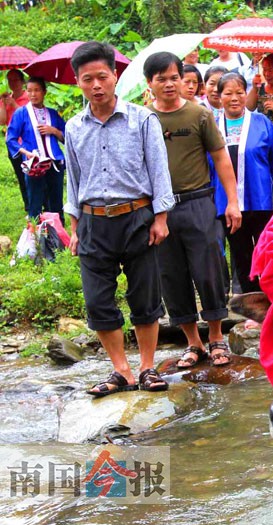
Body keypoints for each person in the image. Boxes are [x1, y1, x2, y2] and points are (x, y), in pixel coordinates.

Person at [64, 41, 175, 396]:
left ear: (115, 75)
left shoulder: (142, 119)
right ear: (78, 82)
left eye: (102, 77)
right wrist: (75, 227)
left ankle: (147, 367)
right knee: (97, 300)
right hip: (93, 221)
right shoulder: (73, 127)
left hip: (137, 217)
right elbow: (73, 179)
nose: (96, 85)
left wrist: (161, 217)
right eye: (87, 79)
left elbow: (159, 170)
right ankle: (121, 370)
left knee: (145, 296)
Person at [144, 52, 243, 369]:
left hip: (199, 201)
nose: (169, 84)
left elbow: (221, 158)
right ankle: (193, 342)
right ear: (150, 83)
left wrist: (232, 201)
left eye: (174, 77)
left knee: (209, 270)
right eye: (161, 79)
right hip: (159, 209)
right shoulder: (143, 119)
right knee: (170, 273)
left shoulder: (199, 115)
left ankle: (216, 337)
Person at [213, 72, 273, 293]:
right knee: (240, 253)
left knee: (268, 248)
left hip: (260, 198)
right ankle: (250, 297)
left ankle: (272, 295)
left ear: (247, 94)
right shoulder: (211, 125)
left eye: (239, 92)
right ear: (219, 96)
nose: (234, 98)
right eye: (228, 93)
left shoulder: (261, 123)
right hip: (228, 203)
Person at [5, 77, 66, 223]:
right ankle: (35, 234)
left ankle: (58, 233)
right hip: (34, 164)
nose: (33, 94)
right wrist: (26, 153)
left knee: (56, 203)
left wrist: (54, 131)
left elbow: (67, 137)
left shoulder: (53, 113)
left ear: (44, 92)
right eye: (30, 91)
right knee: (35, 203)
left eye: (37, 90)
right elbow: (11, 138)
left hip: (54, 162)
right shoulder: (21, 113)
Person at [1, 69, 30, 211]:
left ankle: (40, 203)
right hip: (12, 143)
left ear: (22, 81)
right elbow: (2, 121)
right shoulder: (7, 99)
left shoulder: (29, 97)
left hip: (27, 142)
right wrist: (2, 103)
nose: (12, 83)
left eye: (15, 80)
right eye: (10, 80)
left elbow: (28, 117)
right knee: (20, 175)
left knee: (31, 174)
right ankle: (28, 206)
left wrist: (13, 104)